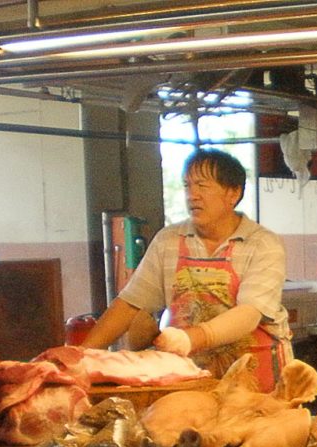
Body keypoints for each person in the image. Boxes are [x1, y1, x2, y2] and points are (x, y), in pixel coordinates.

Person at [81, 149, 292, 392]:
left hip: (257, 380)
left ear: (233, 193)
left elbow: (249, 314)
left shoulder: (263, 243)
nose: (192, 196)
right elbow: (129, 304)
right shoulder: (168, 240)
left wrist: (190, 338)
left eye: (202, 186)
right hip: (193, 380)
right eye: (187, 186)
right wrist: (81, 357)